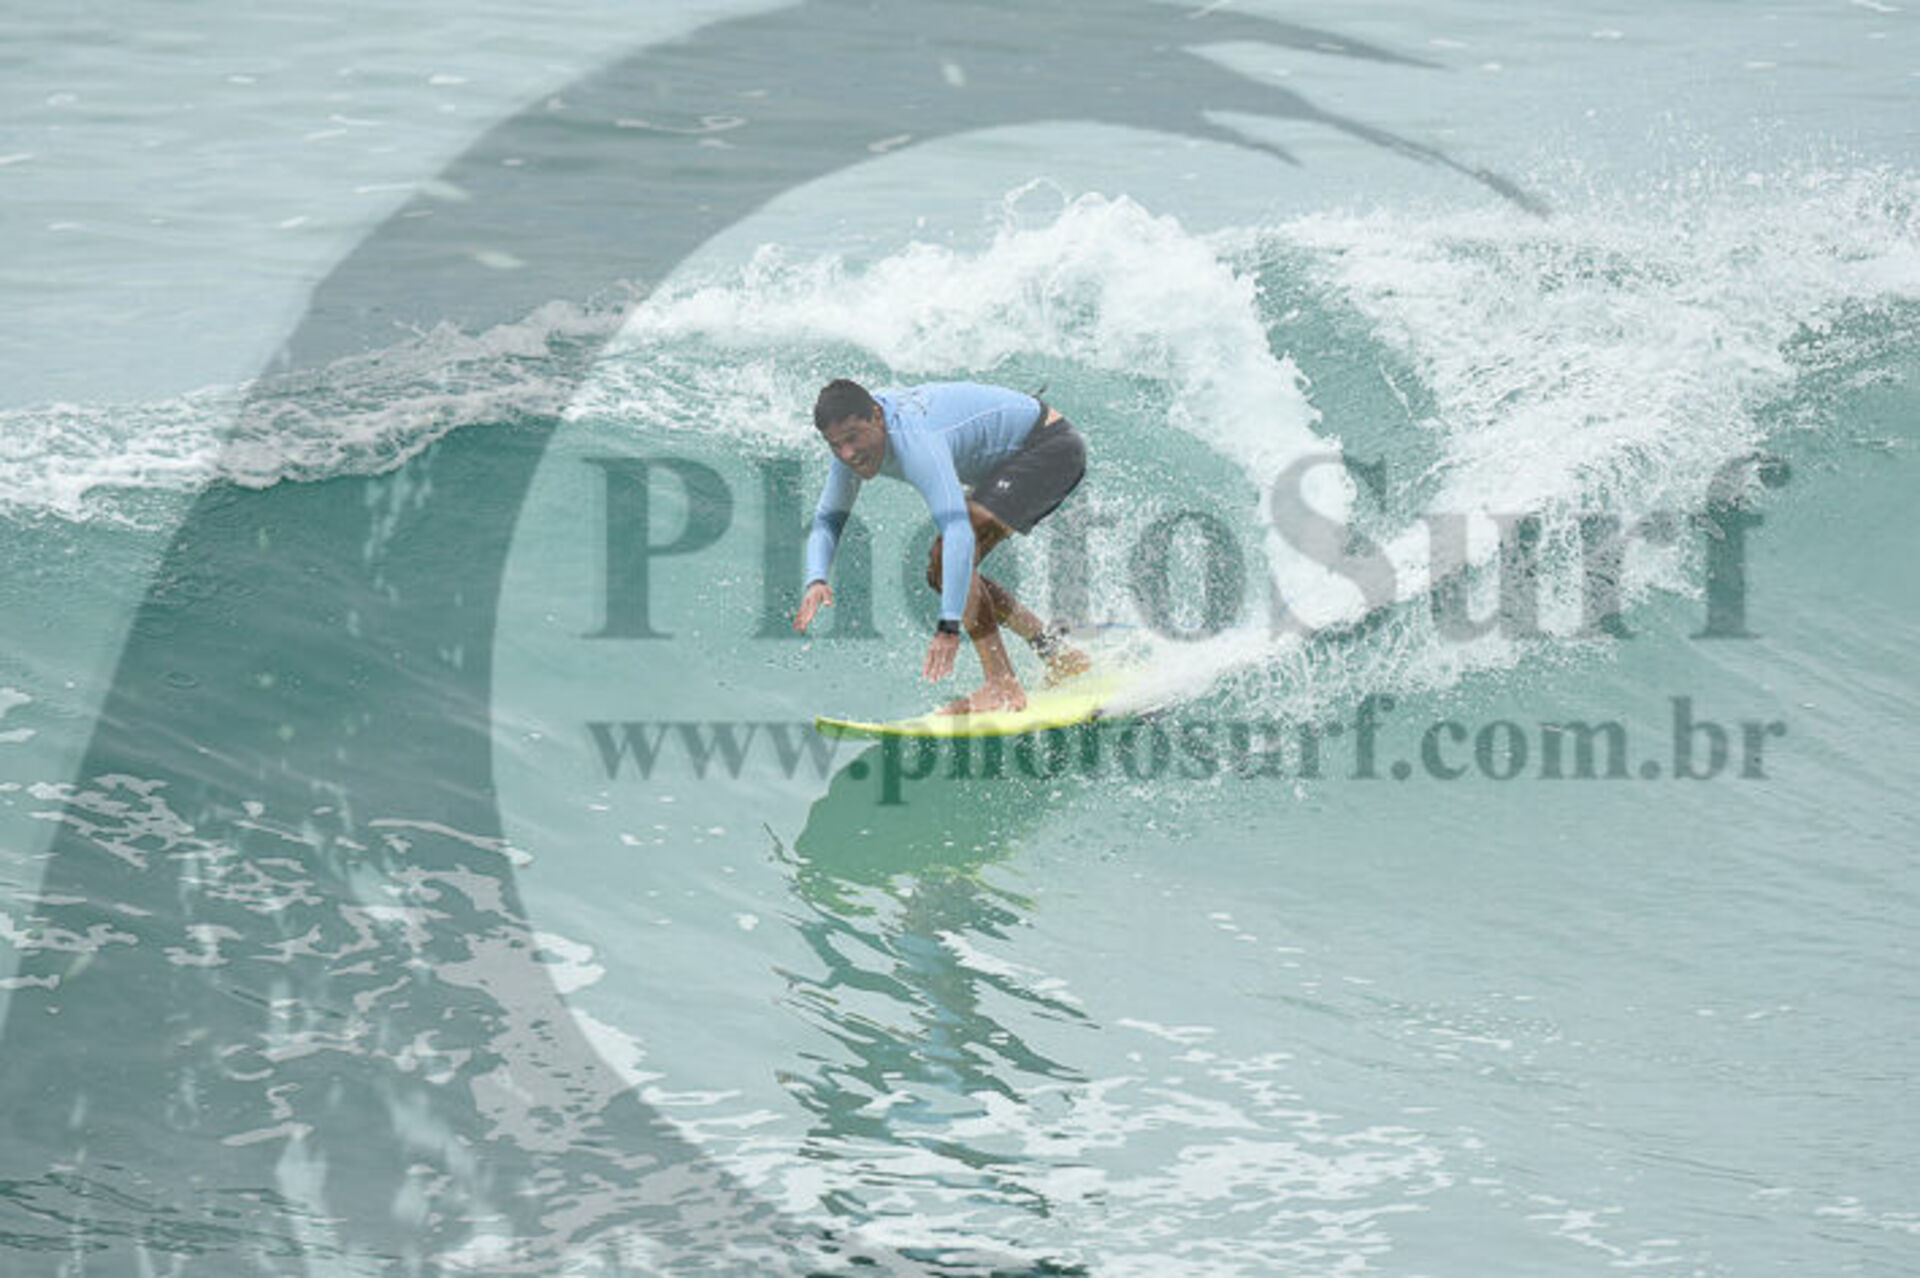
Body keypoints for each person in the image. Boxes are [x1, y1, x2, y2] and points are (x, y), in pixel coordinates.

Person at [792, 378, 1091, 713]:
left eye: (852, 438)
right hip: (1009, 459)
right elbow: (828, 519)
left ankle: (1001, 686)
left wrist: (948, 627)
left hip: (1049, 448)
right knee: (943, 572)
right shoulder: (852, 446)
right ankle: (1060, 656)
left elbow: (958, 533)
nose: (847, 454)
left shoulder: (916, 441)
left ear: (876, 416)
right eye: (835, 445)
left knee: (950, 561)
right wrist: (816, 579)